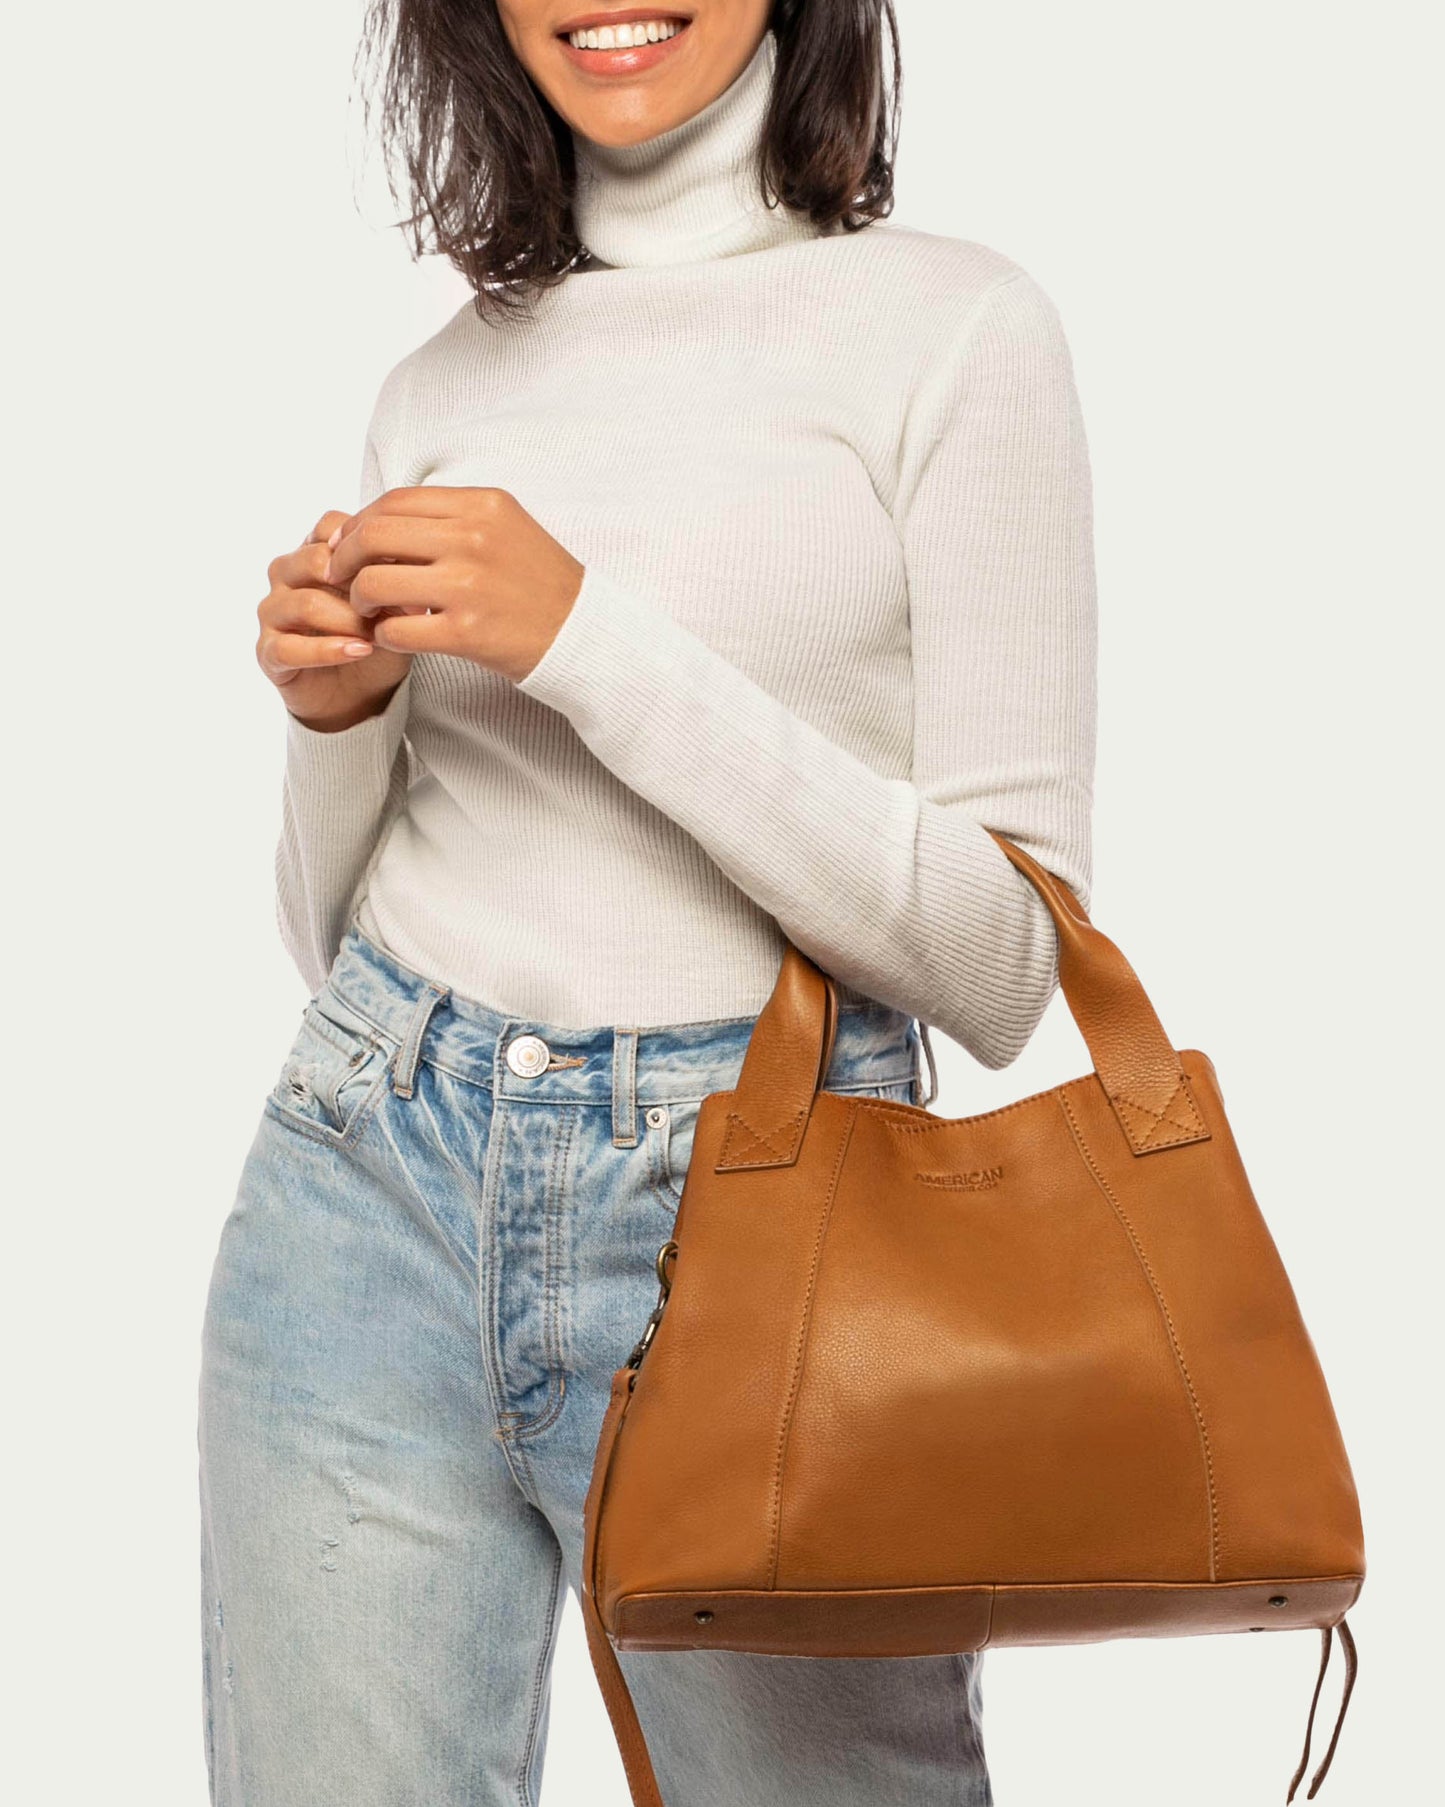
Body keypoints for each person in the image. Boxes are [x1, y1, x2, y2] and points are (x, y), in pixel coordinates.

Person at [198, 3, 1097, 1802]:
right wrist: (337, 724)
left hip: (771, 1231)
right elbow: (329, 946)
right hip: (366, 1175)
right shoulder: (440, 382)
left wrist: (587, 639)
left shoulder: (954, 328)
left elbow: (1007, 959)